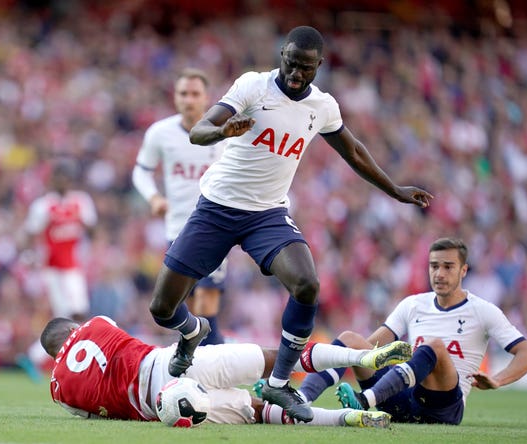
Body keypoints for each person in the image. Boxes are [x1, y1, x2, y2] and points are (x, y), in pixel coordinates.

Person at [147, 25, 433, 422]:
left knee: (307, 285)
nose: (297, 74)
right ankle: (193, 332)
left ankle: (279, 384)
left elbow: (354, 152)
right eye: (291, 64)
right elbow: (199, 131)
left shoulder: (323, 106)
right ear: (281, 55)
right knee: (162, 308)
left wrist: (394, 189)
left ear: (319, 65)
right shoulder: (253, 87)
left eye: (306, 68)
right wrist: (222, 131)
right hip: (217, 208)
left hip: (267, 215)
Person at [298, 237, 527, 425]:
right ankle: (299, 400)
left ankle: (363, 401)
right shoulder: (413, 304)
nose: (439, 273)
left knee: (433, 347)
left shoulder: (483, 310)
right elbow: (369, 349)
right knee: (350, 340)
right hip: (401, 400)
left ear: (463, 271)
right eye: (434, 266)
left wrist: (497, 380)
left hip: (443, 408)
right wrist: (352, 357)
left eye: (448, 267)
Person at [40, 315, 414, 427]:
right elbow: (117, 340)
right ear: (74, 330)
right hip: (172, 360)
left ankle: (349, 418)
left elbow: (95, 413)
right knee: (276, 357)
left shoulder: (59, 392)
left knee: (258, 412)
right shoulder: (96, 323)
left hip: (161, 404)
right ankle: (360, 359)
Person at [132, 68, 226, 345]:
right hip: (178, 228)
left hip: (217, 226)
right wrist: (153, 197)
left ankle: (211, 366)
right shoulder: (161, 133)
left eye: (195, 94)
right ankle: (206, 361)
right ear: (175, 97)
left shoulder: (223, 134)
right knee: (183, 304)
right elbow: (141, 171)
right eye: (183, 93)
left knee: (207, 300)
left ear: (206, 98)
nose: (189, 100)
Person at [19, 160, 98, 380]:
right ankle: (63, 361)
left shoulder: (81, 202)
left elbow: (92, 228)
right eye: (60, 177)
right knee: (69, 315)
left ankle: (34, 356)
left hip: (73, 266)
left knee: (74, 313)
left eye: (67, 178)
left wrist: (91, 234)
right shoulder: (44, 205)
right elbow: (29, 232)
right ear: (53, 179)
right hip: (53, 269)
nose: (64, 182)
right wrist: (28, 255)